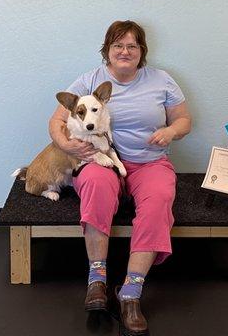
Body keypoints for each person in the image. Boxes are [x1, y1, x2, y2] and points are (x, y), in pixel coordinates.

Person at [48, 20, 191, 335]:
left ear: (142, 52)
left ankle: (131, 291)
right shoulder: (90, 80)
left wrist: (170, 131)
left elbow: (183, 120)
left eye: (132, 46)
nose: (125, 51)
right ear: (107, 50)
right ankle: (97, 280)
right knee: (96, 185)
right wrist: (65, 143)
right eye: (118, 45)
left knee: (159, 201)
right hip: (100, 161)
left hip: (149, 163)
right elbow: (57, 120)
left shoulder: (162, 80)